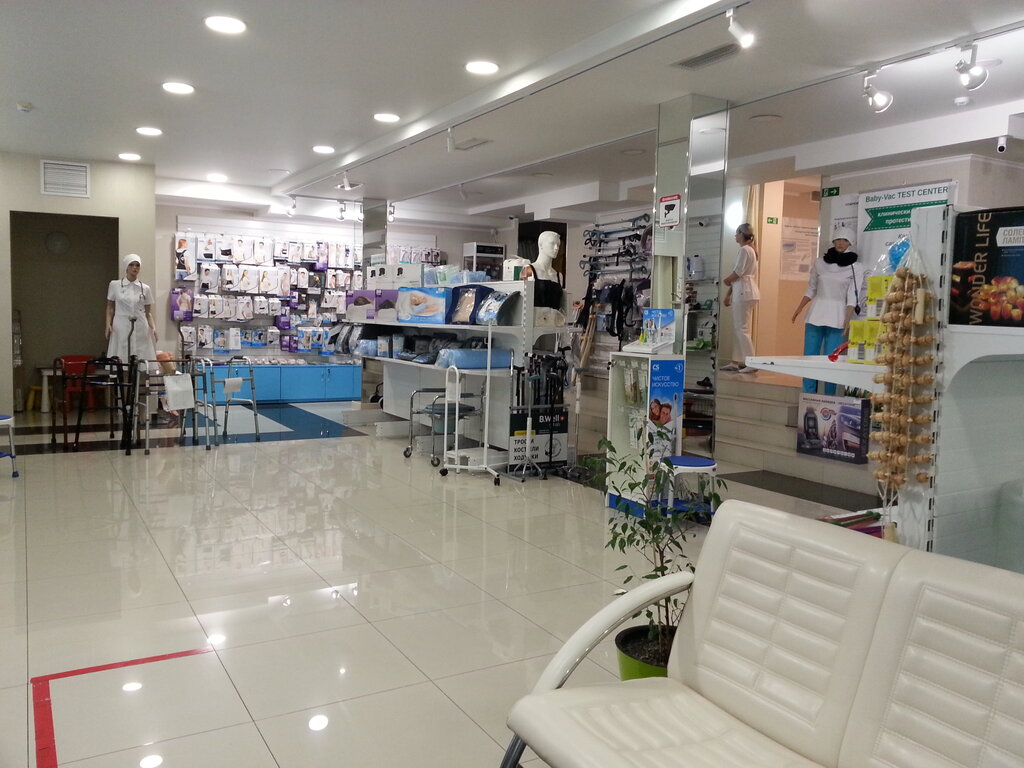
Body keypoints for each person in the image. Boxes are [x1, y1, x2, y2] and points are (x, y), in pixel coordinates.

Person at [791, 227, 865, 394]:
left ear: (851, 243)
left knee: (832, 359)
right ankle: (808, 395)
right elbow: (811, 288)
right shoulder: (820, 263)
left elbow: (852, 296)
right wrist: (799, 308)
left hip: (837, 316)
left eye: (845, 240)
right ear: (832, 241)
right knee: (809, 357)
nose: (840, 243)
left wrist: (847, 319)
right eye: (837, 239)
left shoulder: (856, 267)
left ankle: (829, 398)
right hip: (815, 314)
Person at [721, 223, 760, 373]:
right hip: (745, 291)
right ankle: (735, 361)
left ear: (742, 235)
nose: (735, 236)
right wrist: (728, 294)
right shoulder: (751, 250)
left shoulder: (745, 250)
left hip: (744, 291)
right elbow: (739, 275)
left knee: (741, 328)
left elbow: (738, 272)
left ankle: (752, 362)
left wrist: (726, 280)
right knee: (739, 327)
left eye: (737, 233)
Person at [106, 254, 157, 362]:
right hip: (121, 324)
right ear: (126, 267)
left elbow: (148, 313)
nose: (135, 268)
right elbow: (110, 308)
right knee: (122, 355)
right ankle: (123, 373)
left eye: (137, 265)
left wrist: (153, 328)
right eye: (131, 265)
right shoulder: (115, 285)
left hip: (140, 325)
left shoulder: (145, 288)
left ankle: (140, 373)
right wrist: (108, 324)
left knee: (141, 356)